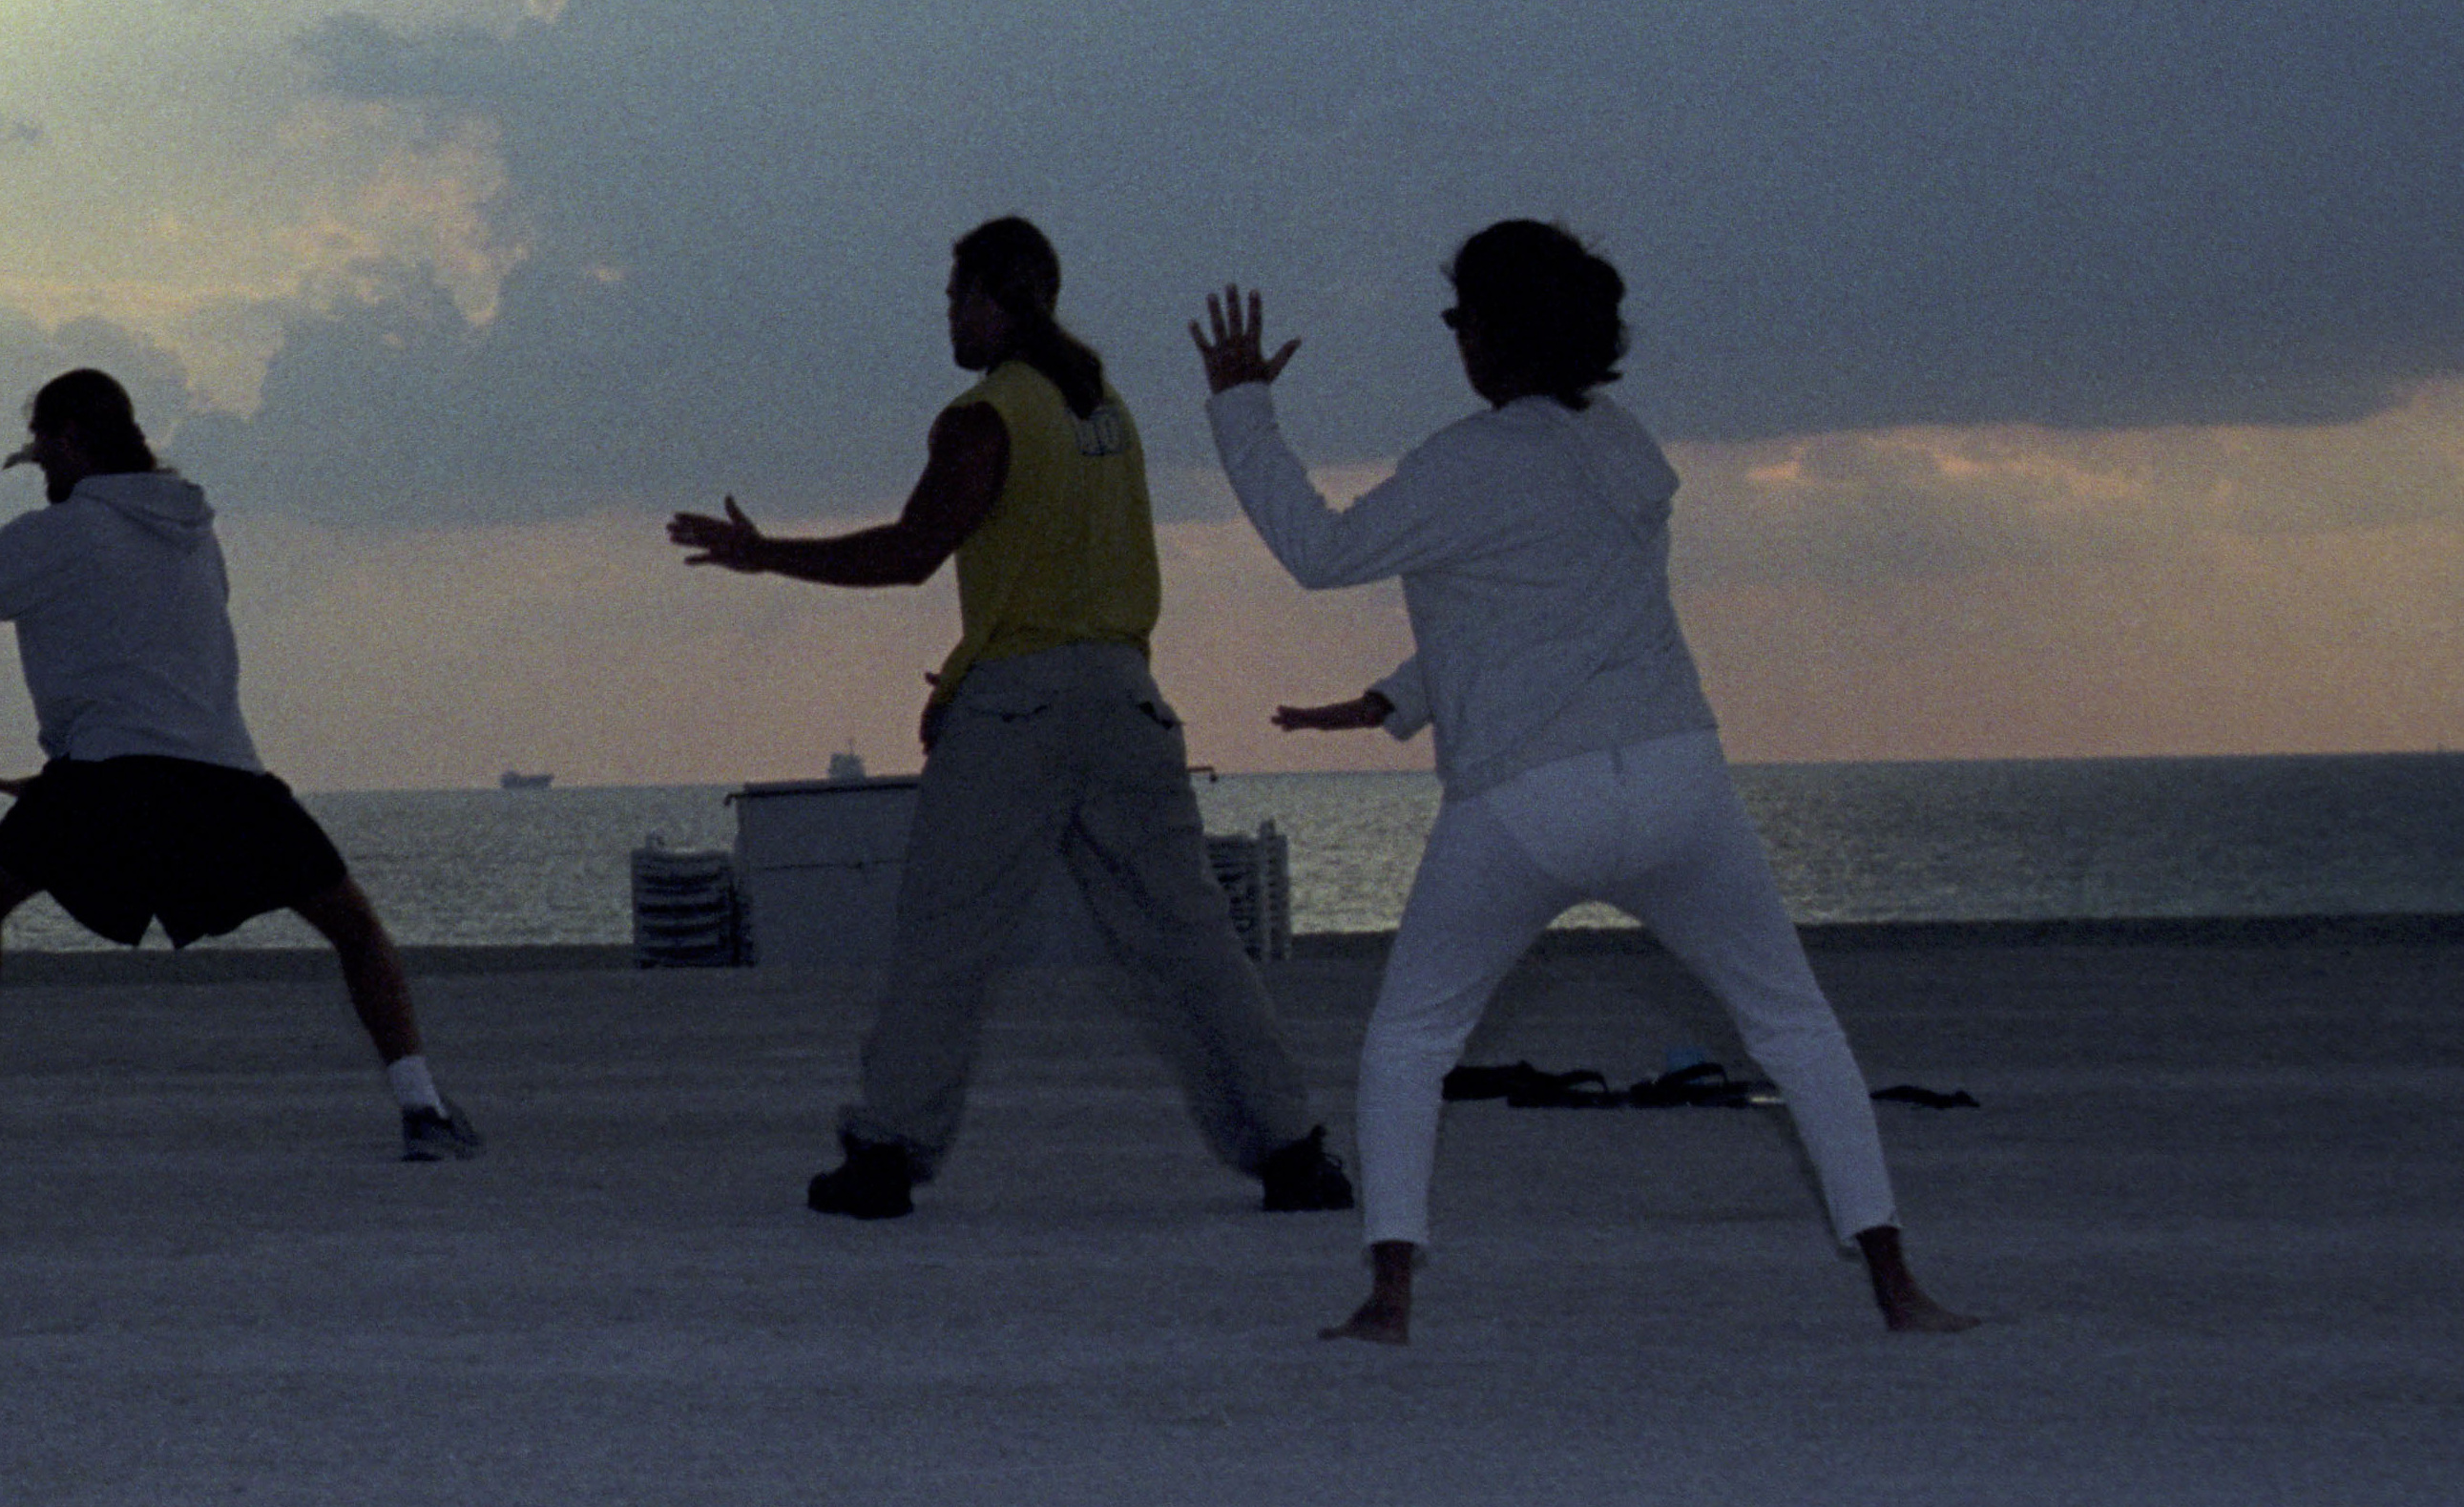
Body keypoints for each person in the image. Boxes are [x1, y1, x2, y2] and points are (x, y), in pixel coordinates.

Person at [1195, 226, 1971, 1342]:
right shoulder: (1622, 446)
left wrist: (1241, 408)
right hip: (1673, 776)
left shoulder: (1462, 461)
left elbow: (1319, 551)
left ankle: (1389, 1296)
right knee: (1794, 1024)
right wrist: (1392, 702)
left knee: (1409, 1041)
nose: (1453, 336)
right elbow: (1552, 609)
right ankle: (1899, 1283)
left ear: (1497, 335)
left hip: (1526, 801)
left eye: (1460, 317)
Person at [671, 219, 1347, 1221]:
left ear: (998, 298)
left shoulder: (983, 416)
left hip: (1016, 710)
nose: (948, 315)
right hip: (1126, 699)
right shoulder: (1101, 410)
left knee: (946, 943)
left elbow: (911, 551)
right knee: (1192, 941)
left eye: (958, 297)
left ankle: (888, 1154)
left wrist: (766, 554)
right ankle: (1293, 1151)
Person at [0, 366, 478, 1165]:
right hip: (224, 775)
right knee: (354, 927)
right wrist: (66, 775)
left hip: (110, 778)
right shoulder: (196, 533)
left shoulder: (59, 534)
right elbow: (185, 667)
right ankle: (422, 1108)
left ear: (74, 439)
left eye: (42, 451)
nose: (38, 469)